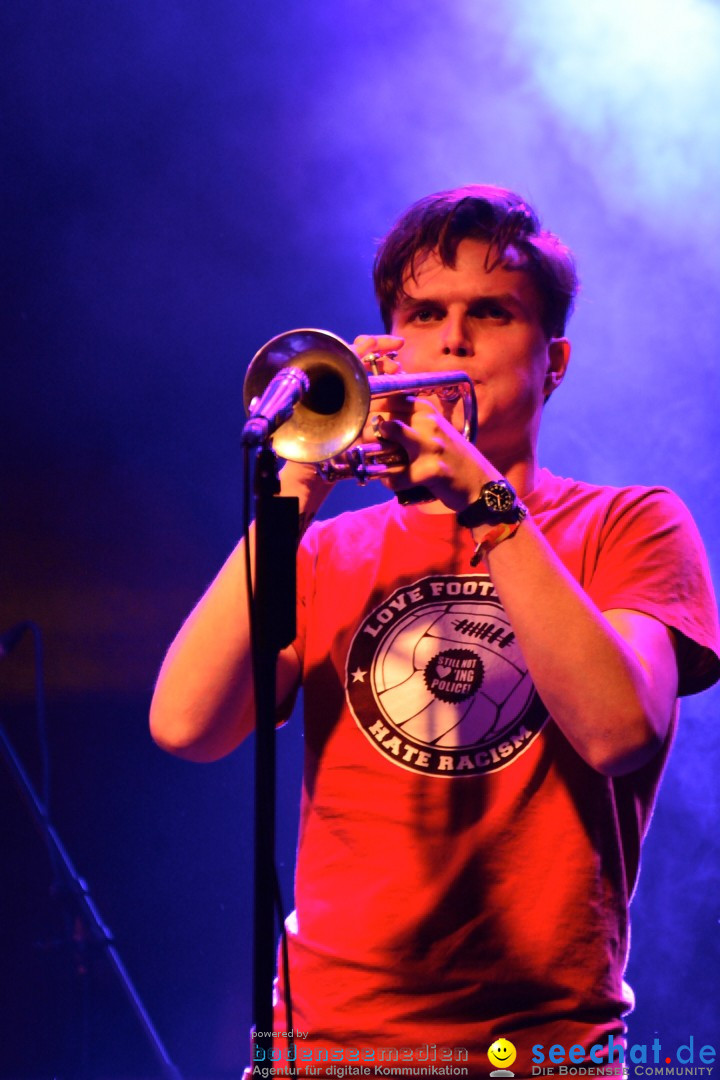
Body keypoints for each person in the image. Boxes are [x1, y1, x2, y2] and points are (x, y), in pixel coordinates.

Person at [150, 185, 720, 1079]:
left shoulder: (631, 525)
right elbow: (186, 725)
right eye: (425, 313)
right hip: (329, 1049)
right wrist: (298, 486)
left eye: (491, 313)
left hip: (539, 1055)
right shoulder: (328, 547)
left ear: (554, 359)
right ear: (390, 345)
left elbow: (619, 731)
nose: (453, 340)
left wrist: (489, 505)